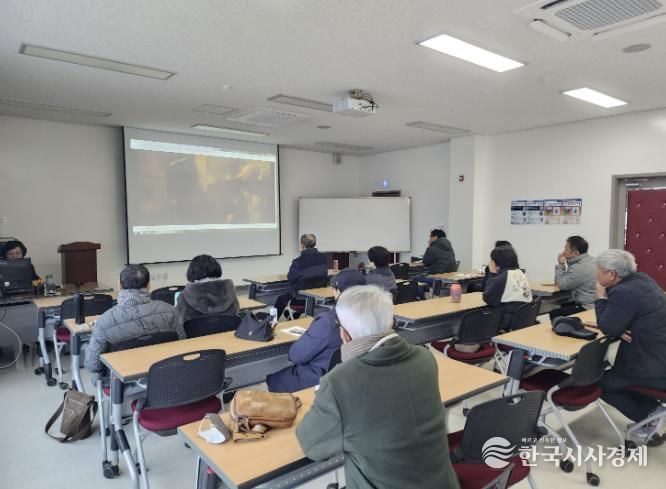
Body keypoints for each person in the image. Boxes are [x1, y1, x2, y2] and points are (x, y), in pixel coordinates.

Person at [296, 285, 460, 489]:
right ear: (391, 322)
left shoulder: (340, 382)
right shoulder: (425, 358)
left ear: (344, 335)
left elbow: (312, 446)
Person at [595, 249, 666, 442]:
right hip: (659, 355)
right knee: (617, 376)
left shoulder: (623, 292)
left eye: (598, 270)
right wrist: (620, 326)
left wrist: (600, 297)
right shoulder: (643, 280)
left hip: (654, 367)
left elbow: (608, 327)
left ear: (612, 274)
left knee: (602, 383)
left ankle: (647, 418)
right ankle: (652, 409)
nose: (596, 274)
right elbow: (628, 316)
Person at [266, 268, 366, 393]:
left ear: (337, 292)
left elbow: (296, 356)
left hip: (318, 381)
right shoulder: (371, 318)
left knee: (273, 380)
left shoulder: (328, 322)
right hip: (350, 376)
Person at [85, 264, 185, 373]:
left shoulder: (103, 322)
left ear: (119, 285)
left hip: (121, 380)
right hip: (165, 375)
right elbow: (182, 343)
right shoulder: (170, 311)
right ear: (149, 284)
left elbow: (92, 365)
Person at [274, 234, 328, 317]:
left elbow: (291, 279)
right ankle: (293, 315)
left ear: (302, 245)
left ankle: (272, 321)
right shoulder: (323, 258)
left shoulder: (298, 262)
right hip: (319, 300)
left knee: (280, 299)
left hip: (301, 300)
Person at [175, 254, 240, 323]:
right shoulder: (229, 292)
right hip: (228, 329)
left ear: (192, 271)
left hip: (197, 330)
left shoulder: (185, 296)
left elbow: (180, 321)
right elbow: (235, 314)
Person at [483, 245, 533, 332]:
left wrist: (492, 273)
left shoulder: (502, 278)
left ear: (495, 262)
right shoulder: (520, 273)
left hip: (504, 321)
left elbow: (488, 298)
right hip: (523, 320)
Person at [551, 236, 596, 319]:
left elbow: (562, 284)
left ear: (576, 253)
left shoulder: (579, 267)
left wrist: (561, 265)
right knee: (563, 305)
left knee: (554, 313)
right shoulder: (593, 260)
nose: (563, 252)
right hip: (595, 303)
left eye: (566, 249)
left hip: (586, 306)